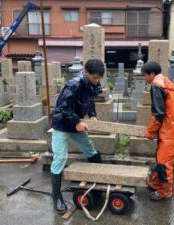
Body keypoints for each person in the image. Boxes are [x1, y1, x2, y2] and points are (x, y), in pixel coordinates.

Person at [50, 59, 105, 213]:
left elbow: (90, 100)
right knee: (60, 158)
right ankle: (56, 197)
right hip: (62, 125)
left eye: (99, 77)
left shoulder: (93, 83)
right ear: (86, 72)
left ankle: (98, 183)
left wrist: (92, 115)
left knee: (91, 151)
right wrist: (77, 122)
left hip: (76, 125)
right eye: (94, 77)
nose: (97, 80)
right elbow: (62, 108)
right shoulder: (73, 85)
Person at [142, 61, 174, 201]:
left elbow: (159, 114)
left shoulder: (156, 85)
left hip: (170, 130)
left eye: (145, 75)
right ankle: (156, 184)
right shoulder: (165, 83)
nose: (144, 78)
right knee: (161, 159)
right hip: (172, 127)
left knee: (163, 162)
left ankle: (164, 191)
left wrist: (150, 132)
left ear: (152, 74)